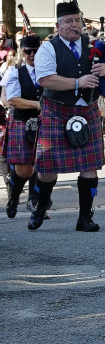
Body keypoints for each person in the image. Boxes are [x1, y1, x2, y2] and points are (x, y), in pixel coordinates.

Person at [29, 0, 105, 231]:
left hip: (87, 110)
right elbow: (45, 79)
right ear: (58, 25)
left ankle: (85, 218)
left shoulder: (95, 45)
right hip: (57, 110)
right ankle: (40, 208)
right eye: (68, 21)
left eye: (77, 20)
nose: (74, 25)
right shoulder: (48, 48)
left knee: (90, 166)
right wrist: (78, 82)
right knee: (47, 169)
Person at [4, 35, 42, 218]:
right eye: (28, 51)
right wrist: (37, 105)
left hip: (45, 121)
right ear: (22, 52)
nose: (32, 55)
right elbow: (12, 100)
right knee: (24, 170)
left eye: (36, 51)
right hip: (22, 120)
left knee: (42, 165)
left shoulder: (49, 70)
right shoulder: (15, 72)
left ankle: (36, 202)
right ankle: (13, 198)